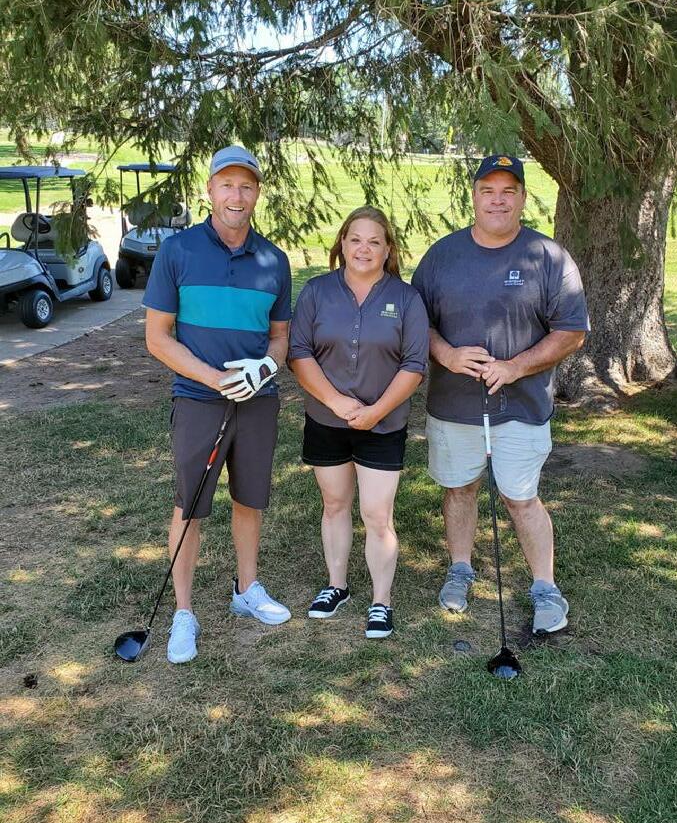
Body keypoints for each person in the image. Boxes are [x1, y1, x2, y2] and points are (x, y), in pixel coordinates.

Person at [411, 155, 589, 634]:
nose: (497, 200)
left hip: (521, 408)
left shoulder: (549, 258)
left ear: (523, 198)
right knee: (459, 489)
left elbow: (572, 331)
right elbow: (414, 321)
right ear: (473, 196)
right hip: (453, 405)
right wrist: (447, 354)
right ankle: (460, 569)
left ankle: (545, 588)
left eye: (508, 191)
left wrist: (515, 367)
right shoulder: (441, 256)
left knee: (520, 498)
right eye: (487, 190)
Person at [143, 145, 293, 664]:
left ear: (257, 193)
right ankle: (184, 612)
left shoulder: (274, 260)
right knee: (190, 506)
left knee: (250, 499)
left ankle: (246, 589)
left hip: (257, 401)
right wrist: (214, 378)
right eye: (227, 184)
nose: (237, 195)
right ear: (209, 189)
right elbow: (157, 337)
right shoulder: (178, 251)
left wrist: (265, 368)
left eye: (246, 186)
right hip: (198, 399)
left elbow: (280, 338)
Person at [289, 206, 429, 639]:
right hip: (325, 419)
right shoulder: (316, 292)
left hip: (383, 424)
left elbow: (414, 364)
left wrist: (376, 410)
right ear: (342, 245)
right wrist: (335, 402)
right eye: (355, 240)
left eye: (374, 241)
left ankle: (381, 602)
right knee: (334, 504)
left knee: (376, 514)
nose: (363, 249)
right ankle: (337, 586)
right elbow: (299, 352)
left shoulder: (406, 299)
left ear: (388, 249)